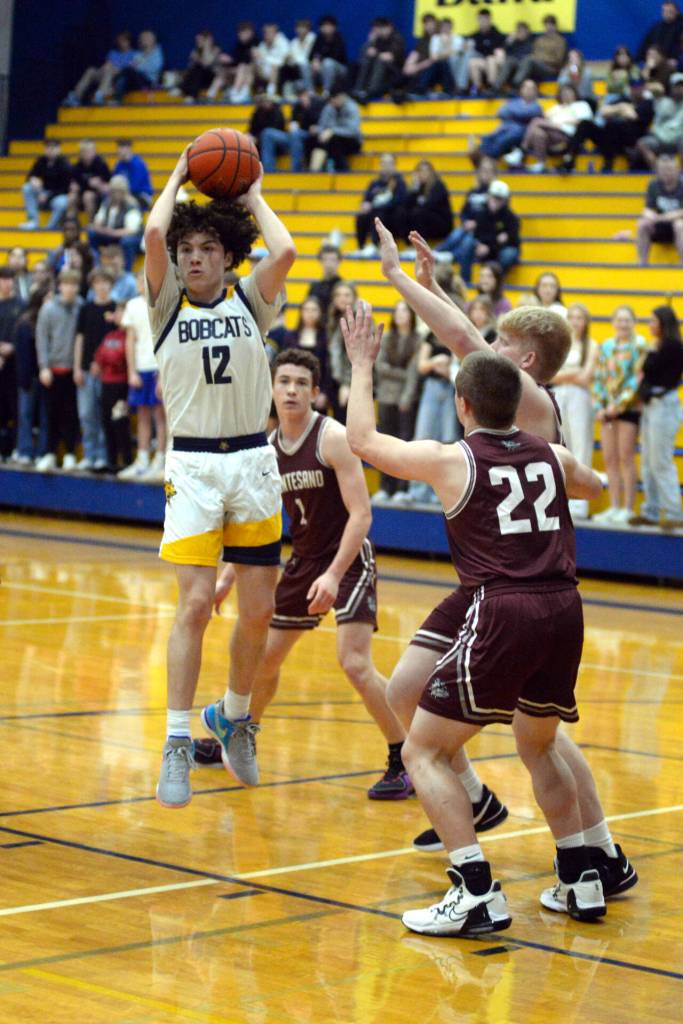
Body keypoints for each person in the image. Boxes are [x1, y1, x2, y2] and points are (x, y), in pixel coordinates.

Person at [366, 220, 639, 900]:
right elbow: (465, 335)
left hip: (512, 580)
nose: (484, 347)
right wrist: (431, 283)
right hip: (497, 574)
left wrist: (404, 281)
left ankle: (598, 851)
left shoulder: (530, 402)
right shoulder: (524, 402)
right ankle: (497, 810)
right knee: (405, 691)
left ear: (522, 362)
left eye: (500, 344)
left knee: (538, 738)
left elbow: (460, 340)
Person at [343, 312, 611, 933]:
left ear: (462, 405)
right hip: (564, 609)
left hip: (504, 607)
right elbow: (595, 485)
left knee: (423, 751)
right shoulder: (550, 451)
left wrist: (361, 365)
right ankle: (581, 877)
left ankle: (474, 890)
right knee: (540, 747)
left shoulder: (451, 459)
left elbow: (363, 441)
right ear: (516, 401)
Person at [144, 144, 296, 807]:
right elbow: (153, 230)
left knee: (258, 612)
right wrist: (179, 177)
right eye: (187, 250)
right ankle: (176, 740)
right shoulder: (165, 306)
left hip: (253, 463)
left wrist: (252, 192)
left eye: (207, 247)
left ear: (227, 255)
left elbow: (285, 252)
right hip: (196, 466)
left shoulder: (250, 300)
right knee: (197, 606)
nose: (194, 257)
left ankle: (233, 718)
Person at [201, 349, 411, 798]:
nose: (292, 390)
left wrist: (334, 575)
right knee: (263, 659)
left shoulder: (332, 438)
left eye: (301, 383)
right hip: (305, 560)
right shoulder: (268, 449)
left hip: (349, 559)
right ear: (271, 390)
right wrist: (227, 577)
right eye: (284, 382)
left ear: (315, 393)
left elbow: (362, 515)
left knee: (353, 662)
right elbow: (255, 523)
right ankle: (239, 733)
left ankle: (404, 756)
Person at [592, 307, 648, 526]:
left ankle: (628, 508)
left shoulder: (639, 346)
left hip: (628, 409)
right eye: (619, 320)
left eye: (627, 320)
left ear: (634, 322)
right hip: (606, 410)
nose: (623, 324)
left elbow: (637, 378)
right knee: (610, 458)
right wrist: (599, 405)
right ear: (613, 322)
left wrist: (618, 406)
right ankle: (614, 506)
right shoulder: (606, 346)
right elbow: (598, 377)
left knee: (626, 457)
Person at [630, 306, 683, 528]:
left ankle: (674, 513)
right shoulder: (658, 346)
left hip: (664, 404)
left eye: (654, 321)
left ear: (663, 323)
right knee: (648, 462)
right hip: (653, 405)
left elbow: (654, 372)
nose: (650, 324)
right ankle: (651, 511)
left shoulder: (672, 347)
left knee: (660, 461)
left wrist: (649, 353)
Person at [551, 303, 599, 520]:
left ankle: (581, 505)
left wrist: (567, 375)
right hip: (559, 395)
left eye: (579, 317)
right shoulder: (560, 344)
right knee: (563, 446)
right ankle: (564, 498)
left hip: (580, 397)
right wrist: (572, 374)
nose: (575, 321)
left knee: (581, 445)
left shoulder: (592, 344)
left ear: (586, 321)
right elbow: (551, 376)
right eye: (571, 317)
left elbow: (586, 376)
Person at [119, 268, 167, 482]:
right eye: (139, 281)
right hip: (141, 369)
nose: (142, 285)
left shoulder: (163, 303)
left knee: (161, 416)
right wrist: (131, 371)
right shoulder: (132, 306)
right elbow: (130, 340)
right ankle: (142, 458)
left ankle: (161, 458)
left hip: (159, 368)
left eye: (146, 280)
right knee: (143, 416)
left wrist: (164, 370)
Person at [35, 269, 83, 472]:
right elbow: (41, 338)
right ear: (59, 286)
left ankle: (71, 454)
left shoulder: (82, 307)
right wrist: (44, 367)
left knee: (71, 415)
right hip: (52, 371)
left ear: (77, 287)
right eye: (66, 284)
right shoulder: (48, 309)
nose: (69, 288)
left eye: (73, 284)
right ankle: (49, 454)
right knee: (50, 415)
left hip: (74, 371)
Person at [372, 300, 420, 503]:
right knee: (384, 442)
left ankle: (402, 487)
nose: (401, 315)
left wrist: (406, 395)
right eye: (398, 311)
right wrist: (401, 372)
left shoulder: (417, 339)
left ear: (411, 315)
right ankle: (386, 487)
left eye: (405, 311)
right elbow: (380, 367)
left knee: (404, 442)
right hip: (385, 395)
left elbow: (414, 373)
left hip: (406, 398)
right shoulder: (387, 337)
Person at [558, 78, 654, 174]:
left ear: (644, 88)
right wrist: (622, 107)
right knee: (585, 124)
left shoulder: (647, 103)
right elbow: (603, 111)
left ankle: (609, 162)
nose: (636, 90)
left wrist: (616, 110)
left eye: (639, 87)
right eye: (634, 87)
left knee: (614, 125)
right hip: (609, 139)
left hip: (630, 140)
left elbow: (633, 116)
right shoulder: (624, 99)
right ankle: (569, 160)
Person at [73, 267, 115, 471]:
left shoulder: (115, 309)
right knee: (86, 414)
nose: (102, 286)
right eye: (98, 282)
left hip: (109, 373)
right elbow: (80, 338)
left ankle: (103, 456)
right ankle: (90, 454)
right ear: (93, 285)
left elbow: (117, 343)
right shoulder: (85, 308)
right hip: (86, 370)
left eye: (105, 282)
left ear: (111, 285)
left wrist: (102, 363)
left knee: (104, 414)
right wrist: (77, 367)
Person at [454, 180, 520, 285]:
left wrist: (489, 246)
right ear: (489, 196)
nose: (495, 201)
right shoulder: (481, 214)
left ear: (505, 200)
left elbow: (512, 241)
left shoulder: (511, 218)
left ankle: (496, 284)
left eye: (499, 198)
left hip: (500, 250)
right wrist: (479, 244)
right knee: (467, 243)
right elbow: (478, 235)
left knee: (508, 254)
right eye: (494, 197)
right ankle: (465, 281)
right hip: (486, 247)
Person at [434, 155, 497, 267]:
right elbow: (464, 211)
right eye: (483, 170)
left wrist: (477, 223)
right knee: (456, 234)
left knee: (467, 242)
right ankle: (435, 252)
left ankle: (452, 258)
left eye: (488, 170)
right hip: (467, 226)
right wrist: (465, 221)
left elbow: (494, 215)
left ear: (494, 173)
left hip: (483, 230)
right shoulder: (473, 191)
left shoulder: (496, 193)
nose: (485, 173)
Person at [516, 84, 593, 174]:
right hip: (551, 133)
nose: (566, 94)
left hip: (567, 135)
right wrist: (553, 119)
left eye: (569, 92)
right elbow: (545, 118)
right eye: (563, 93)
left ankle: (521, 151)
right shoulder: (555, 107)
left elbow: (584, 122)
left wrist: (561, 123)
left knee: (536, 121)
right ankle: (540, 163)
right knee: (538, 132)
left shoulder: (581, 105)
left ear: (575, 93)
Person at [91, 303, 131, 471]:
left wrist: (109, 361)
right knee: (107, 423)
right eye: (117, 312)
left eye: (122, 312)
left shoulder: (130, 336)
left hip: (122, 385)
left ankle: (127, 461)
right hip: (106, 384)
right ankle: (112, 461)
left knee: (120, 422)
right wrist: (98, 363)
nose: (118, 315)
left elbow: (121, 359)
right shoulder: (110, 335)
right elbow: (99, 357)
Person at [12, 287, 50, 464]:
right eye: (47, 298)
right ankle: (25, 450)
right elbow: (21, 355)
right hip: (28, 377)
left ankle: (42, 451)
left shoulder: (50, 320)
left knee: (44, 416)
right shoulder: (25, 323)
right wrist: (24, 378)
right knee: (25, 415)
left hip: (47, 375)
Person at [259, 86, 325, 173]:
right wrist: (293, 126)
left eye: (304, 95)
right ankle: (269, 170)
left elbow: (323, 124)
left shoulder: (318, 104)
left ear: (308, 95)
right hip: (295, 135)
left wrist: (308, 109)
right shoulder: (296, 107)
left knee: (296, 135)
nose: (302, 98)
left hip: (311, 136)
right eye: (300, 95)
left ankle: (295, 171)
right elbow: (293, 123)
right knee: (267, 133)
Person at [282, 296, 330, 411]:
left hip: (317, 391)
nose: (310, 313)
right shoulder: (291, 336)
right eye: (307, 310)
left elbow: (328, 368)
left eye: (314, 310)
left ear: (320, 313)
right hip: (294, 390)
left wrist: (324, 392)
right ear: (301, 312)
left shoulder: (326, 337)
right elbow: (283, 365)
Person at [353, 153, 406, 256]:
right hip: (375, 215)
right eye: (383, 163)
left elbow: (400, 201)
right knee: (361, 216)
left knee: (380, 214)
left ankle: (375, 244)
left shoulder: (399, 183)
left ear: (394, 166)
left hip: (391, 217)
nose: (385, 166)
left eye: (389, 163)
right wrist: (364, 205)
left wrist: (374, 206)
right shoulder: (374, 184)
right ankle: (361, 247)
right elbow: (366, 200)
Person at [474, 80, 542, 160]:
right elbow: (500, 113)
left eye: (531, 89)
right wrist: (517, 114)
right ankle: (482, 155)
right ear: (521, 90)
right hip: (506, 128)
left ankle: (487, 157)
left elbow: (526, 113)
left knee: (505, 138)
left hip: (521, 133)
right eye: (526, 87)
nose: (528, 90)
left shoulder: (536, 106)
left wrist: (511, 113)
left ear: (535, 92)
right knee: (487, 137)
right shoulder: (514, 102)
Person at [87, 175, 143, 271]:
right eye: (113, 191)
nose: (116, 194)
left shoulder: (132, 205)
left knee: (127, 241)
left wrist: (111, 232)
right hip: (111, 234)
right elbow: (98, 221)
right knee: (91, 233)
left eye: (118, 191)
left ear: (124, 191)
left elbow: (131, 230)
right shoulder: (107, 203)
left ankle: (126, 270)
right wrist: (98, 227)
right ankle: (96, 265)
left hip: (128, 237)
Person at [64, 31, 136, 106]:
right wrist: (105, 67)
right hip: (106, 74)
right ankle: (75, 97)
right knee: (91, 70)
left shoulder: (133, 53)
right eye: (119, 40)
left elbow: (130, 69)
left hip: (119, 76)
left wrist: (113, 67)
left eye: (123, 40)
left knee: (109, 70)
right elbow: (107, 64)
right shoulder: (113, 53)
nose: (121, 42)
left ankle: (99, 96)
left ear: (128, 41)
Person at [389, 161, 452, 244]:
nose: (423, 173)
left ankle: (419, 244)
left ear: (432, 173)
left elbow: (430, 206)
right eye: (420, 171)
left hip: (441, 224)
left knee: (419, 213)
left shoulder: (438, 186)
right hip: (422, 219)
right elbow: (406, 205)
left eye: (426, 171)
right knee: (401, 212)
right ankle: (408, 244)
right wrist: (414, 188)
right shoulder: (418, 187)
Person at [636, 152, 683, 264]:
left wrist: (661, 218)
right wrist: (650, 216)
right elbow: (647, 209)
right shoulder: (653, 185)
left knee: (679, 225)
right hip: (660, 224)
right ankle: (642, 262)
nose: (666, 173)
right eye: (662, 170)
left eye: (669, 170)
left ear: (677, 170)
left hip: (677, 225)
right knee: (642, 224)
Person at [20, 139, 72, 231]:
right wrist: (33, 180)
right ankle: (33, 221)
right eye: (48, 147)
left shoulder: (64, 164)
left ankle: (50, 227)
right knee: (27, 188)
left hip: (57, 195)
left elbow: (65, 188)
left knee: (62, 202)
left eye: (53, 147)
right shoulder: (41, 161)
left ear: (59, 149)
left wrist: (48, 196)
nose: (50, 150)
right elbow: (30, 176)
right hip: (42, 192)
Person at [353, 18, 406, 104]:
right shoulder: (378, 39)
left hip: (394, 71)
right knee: (364, 61)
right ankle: (358, 89)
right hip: (379, 71)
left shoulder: (397, 38)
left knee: (380, 61)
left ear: (389, 27)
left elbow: (389, 57)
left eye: (381, 28)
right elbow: (363, 54)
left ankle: (371, 91)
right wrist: (370, 42)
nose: (378, 31)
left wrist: (376, 53)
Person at [0, 269, 23, 459]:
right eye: (3, 280)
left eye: (10, 279)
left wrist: (13, 347)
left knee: (16, 408)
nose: (7, 283)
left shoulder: (20, 305)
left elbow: (24, 334)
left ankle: (15, 449)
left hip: (15, 366)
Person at [327, 280, 358, 421]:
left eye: (347, 295)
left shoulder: (359, 319)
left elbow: (357, 356)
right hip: (336, 380)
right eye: (338, 295)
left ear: (354, 297)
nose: (342, 298)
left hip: (352, 382)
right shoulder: (333, 318)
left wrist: (346, 384)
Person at [308, 89, 362, 172]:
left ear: (341, 97)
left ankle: (344, 171)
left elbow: (353, 131)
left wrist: (332, 131)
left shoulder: (352, 107)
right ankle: (314, 172)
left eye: (334, 99)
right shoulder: (330, 107)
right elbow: (322, 126)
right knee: (316, 140)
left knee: (334, 141)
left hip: (352, 141)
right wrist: (317, 130)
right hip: (332, 141)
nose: (332, 102)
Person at [511, 14, 568, 88]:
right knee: (517, 60)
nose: (548, 28)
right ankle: (520, 86)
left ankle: (516, 83)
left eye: (550, 25)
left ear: (555, 26)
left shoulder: (560, 41)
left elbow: (558, 59)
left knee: (529, 59)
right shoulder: (539, 39)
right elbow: (534, 52)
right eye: (546, 25)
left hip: (551, 68)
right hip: (536, 64)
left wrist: (540, 59)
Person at [113, 29, 164, 103]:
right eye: (142, 38)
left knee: (128, 71)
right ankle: (117, 100)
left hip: (149, 82)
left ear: (153, 40)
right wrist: (137, 67)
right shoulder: (138, 54)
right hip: (137, 80)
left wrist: (139, 67)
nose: (144, 40)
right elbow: (133, 65)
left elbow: (153, 68)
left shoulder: (157, 53)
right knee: (124, 77)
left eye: (146, 38)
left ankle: (116, 96)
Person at [399, 13, 439, 99]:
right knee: (402, 73)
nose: (429, 26)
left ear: (435, 24)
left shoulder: (439, 38)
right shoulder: (423, 40)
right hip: (420, 68)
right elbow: (414, 54)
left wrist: (416, 67)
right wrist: (408, 66)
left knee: (432, 66)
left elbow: (433, 59)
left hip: (433, 68)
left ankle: (418, 90)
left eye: (431, 23)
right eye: (426, 24)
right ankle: (372, 92)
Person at [466, 10, 506, 96]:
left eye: (485, 19)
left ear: (490, 19)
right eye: (481, 19)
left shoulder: (497, 34)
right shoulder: (474, 36)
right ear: (478, 20)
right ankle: (478, 89)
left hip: (495, 62)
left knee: (490, 60)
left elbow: (500, 53)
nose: (483, 22)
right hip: (482, 62)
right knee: (472, 62)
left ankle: (493, 88)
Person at [68, 139, 111, 220]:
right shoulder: (77, 166)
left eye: (89, 151)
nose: (86, 154)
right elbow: (74, 184)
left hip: (97, 195)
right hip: (81, 192)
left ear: (94, 152)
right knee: (71, 197)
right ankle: (72, 222)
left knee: (87, 196)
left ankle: (91, 222)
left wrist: (100, 185)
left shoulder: (101, 164)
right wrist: (75, 186)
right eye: (84, 151)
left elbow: (107, 184)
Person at [174, 30, 220, 101]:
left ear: (206, 40)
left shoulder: (216, 49)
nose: (198, 42)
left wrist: (206, 47)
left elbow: (207, 63)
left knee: (200, 67)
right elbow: (190, 67)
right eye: (197, 40)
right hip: (199, 79)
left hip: (211, 78)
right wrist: (194, 60)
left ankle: (188, 93)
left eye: (200, 40)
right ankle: (185, 91)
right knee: (196, 68)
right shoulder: (196, 51)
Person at [427, 18, 468, 97]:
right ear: (440, 28)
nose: (446, 29)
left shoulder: (458, 39)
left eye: (448, 27)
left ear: (451, 27)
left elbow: (461, 55)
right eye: (444, 27)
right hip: (440, 70)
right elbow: (434, 57)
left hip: (455, 69)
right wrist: (449, 50)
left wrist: (446, 47)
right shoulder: (436, 38)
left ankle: (455, 88)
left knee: (450, 61)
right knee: (440, 63)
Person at [309, 15, 348, 95]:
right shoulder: (319, 38)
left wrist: (319, 61)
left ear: (334, 27)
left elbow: (336, 56)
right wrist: (314, 60)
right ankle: (310, 91)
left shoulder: (338, 38)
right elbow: (311, 55)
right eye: (324, 26)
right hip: (321, 69)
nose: (326, 28)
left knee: (328, 62)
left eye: (328, 26)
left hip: (339, 69)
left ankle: (327, 91)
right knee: (305, 64)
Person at [112, 140, 154, 211]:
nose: (118, 151)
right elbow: (114, 182)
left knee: (126, 201)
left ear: (128, 149)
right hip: (125, 194)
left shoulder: (138, 164)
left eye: (121, 149)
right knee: (110, 199)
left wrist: (122, 193)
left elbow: (135, 186)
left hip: (142, 195)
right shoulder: (119, 165)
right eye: (118, 149)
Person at [494, 21, 534, 94]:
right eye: (519, 31)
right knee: (509, 60)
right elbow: (503, 50)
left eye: (523, 31)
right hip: (514, 62)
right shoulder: (514, 41)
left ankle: (515, 85)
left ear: (527, 31)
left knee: (525, 60)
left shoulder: (531, 41)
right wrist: (508, 41)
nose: (521, 33)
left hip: (525, 64)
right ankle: (496, 87)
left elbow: (529, 55)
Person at [280, 18, 316, 97]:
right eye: (298, 28)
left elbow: (307, 58)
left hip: (312, 68)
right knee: (286, 67)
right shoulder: (294, 42)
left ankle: (310, 91)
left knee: (304, 65)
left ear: (308, 29)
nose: (300, 30)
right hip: (298, 69)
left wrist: (295, 59)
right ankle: (287, 94)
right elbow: (291, 58)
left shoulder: (313, 39)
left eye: (303, 28)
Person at [307, 244, 343, 316]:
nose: (328, 264)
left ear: (339, 262)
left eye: (333, 260)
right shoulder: (314, 287)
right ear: (320, 261)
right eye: (325, 259)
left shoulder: (344, 287)